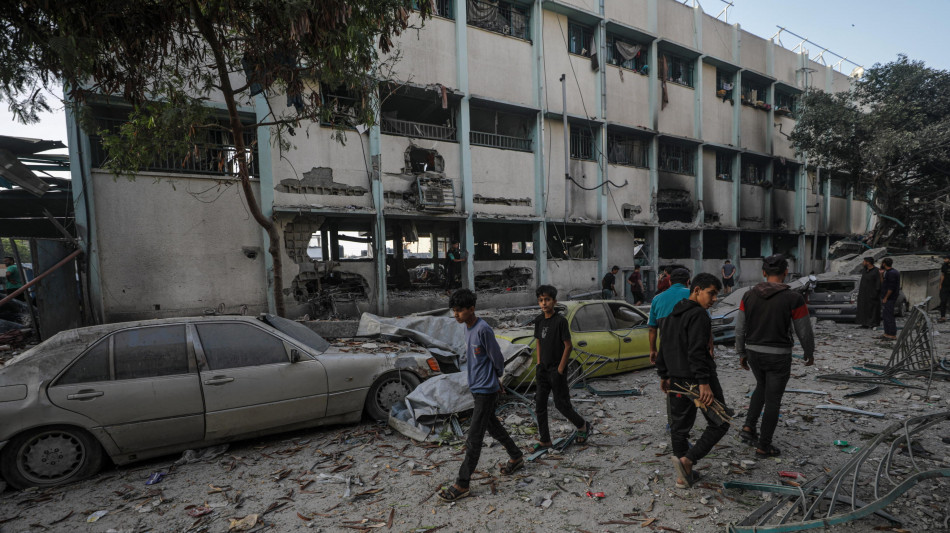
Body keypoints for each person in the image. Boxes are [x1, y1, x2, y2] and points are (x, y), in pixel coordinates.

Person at [438, 289, 523, 502]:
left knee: (474, 438)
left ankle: (462, 484)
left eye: (459, 311)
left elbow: (497, 359)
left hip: (486, 390)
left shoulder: (483, 329)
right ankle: (516, 456)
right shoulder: (467, 328)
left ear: (472, 309)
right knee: (492, 426)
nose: (456, 315)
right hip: (477, 388)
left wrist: (497, 379)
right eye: (454, 311)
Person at [735, 254, 815, 458]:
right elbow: (804, 329)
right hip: (778, 356)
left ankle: (748, 427)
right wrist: (809, 351)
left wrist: (741, 351)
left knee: (761, 386)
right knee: (773, 399)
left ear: (764, 272)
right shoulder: (793, 298)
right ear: (786, 272)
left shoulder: (748, 295)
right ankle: (764, 446)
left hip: (753, 352)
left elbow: (740, 327)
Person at [656, 273, 729, 489]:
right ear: (696, 290)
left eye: (716, 295)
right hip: (697, 382)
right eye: (711, 293)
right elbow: (697, 351)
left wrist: (664, 375)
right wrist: (703, 382)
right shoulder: (699, 315)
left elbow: (663, 347)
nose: (714, 299)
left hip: (677, 381)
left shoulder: (670, 315)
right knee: (721, 421)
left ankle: (683, 477)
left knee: (679, 429)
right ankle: (688, 460)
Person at [531, 285, 592, 451]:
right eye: (541, 300)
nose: (544, 303)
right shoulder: (539, 320)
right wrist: (538, 363)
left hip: (556, 370)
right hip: (542, 369)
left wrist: (560, 369)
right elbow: (538, 341)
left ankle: (582, 425)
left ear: (554, 301)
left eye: (547, 300)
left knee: (561, 404)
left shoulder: (560, 321)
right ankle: (545, 440)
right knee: (540, 405)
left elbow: (568, 346)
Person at [648, 268, 691, 364]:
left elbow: (652, 329)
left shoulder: (656, 299)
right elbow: (706, 325)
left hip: (667, 351)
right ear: (688, 281)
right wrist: (710, 348)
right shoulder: (695, 295)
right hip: (692, 350)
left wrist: (653, 350)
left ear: (670, 282)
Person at [855, 256, 882, 329]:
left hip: (872, 294)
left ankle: (873, 324)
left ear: (868, 262)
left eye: (864, 261)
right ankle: (864, 323)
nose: (862, 263)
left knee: (873, 309)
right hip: (864, 294)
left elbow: (878, 282)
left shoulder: (876, 271)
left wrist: (876, 292)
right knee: (863, 308)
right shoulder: (864, 270)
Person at [880, 257, 900, 340]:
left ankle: (892, 334)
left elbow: (891, 287)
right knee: (885, 315)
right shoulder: (888, 272)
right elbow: (884, 283)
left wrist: (886, 297)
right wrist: (881, 275)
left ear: (884, 264)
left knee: (889, 316)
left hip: (890, 298)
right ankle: (887, 333)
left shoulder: (892, 273)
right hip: (888, 297)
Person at [938, 255, 950, 323]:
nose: (944, 260)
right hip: (945, 286)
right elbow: (942, 275)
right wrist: (940, 285)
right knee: (943, 301)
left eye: (946, 259)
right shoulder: (944, 266)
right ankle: (942, 317)